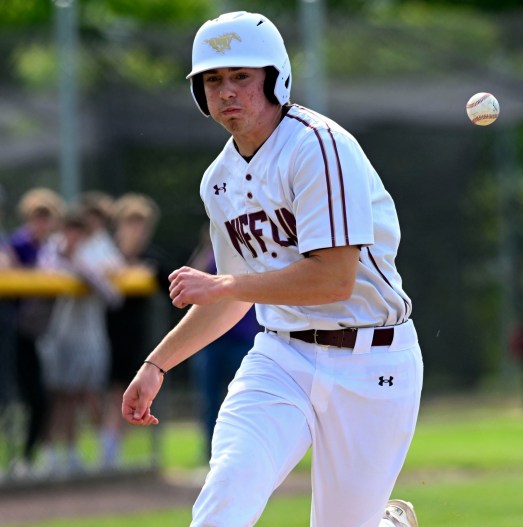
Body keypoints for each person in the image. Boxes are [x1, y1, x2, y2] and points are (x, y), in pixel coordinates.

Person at [122, 11, 422, 527]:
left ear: (275, 78)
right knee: (224, 498)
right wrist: (157, 364)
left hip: (374, 363)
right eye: (212, 80)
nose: (227, 90)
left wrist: (224, 284)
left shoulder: (317, 147)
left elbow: (334, 280)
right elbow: (231, 296)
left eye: (241, 75)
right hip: (282, 356)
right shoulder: (219, 181)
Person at [37, 208, 122, 475]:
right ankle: (52, 453)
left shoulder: (97, 252)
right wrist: (74, 265)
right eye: (68, 229)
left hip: (90, 337)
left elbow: (113, 294)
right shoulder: (52, 250)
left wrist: (79, 266)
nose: (71, 236)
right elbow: (47, 270)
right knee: (60, 395)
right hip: (58, 336)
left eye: (78, 230)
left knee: (86, 394)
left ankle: (100, 448)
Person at [100, 192, 173, 468]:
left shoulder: (153, 259)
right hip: (98, 333)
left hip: (133, 337)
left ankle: (110, 452)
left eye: (142, 225)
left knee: (122, 390)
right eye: (131, 223)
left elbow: (174, 291)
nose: (137, 230)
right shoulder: (103, 253)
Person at [187, 224, 262, 462]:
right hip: (212, 342)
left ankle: (247, 451)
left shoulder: (250, 251)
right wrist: (207, 247)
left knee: (246, 400)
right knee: (209, 401)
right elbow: (192, 283)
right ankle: (213, 453)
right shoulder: (210, 255)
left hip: (242, 340)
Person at [8, 188, 66, 474]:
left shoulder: (56, 247)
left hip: (46, 333)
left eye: (47, 216)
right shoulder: (17, 243)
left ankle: (29, 456)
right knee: (20, 396)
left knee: (41, 398)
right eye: (37, 216)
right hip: (15, 332)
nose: (42, 222)